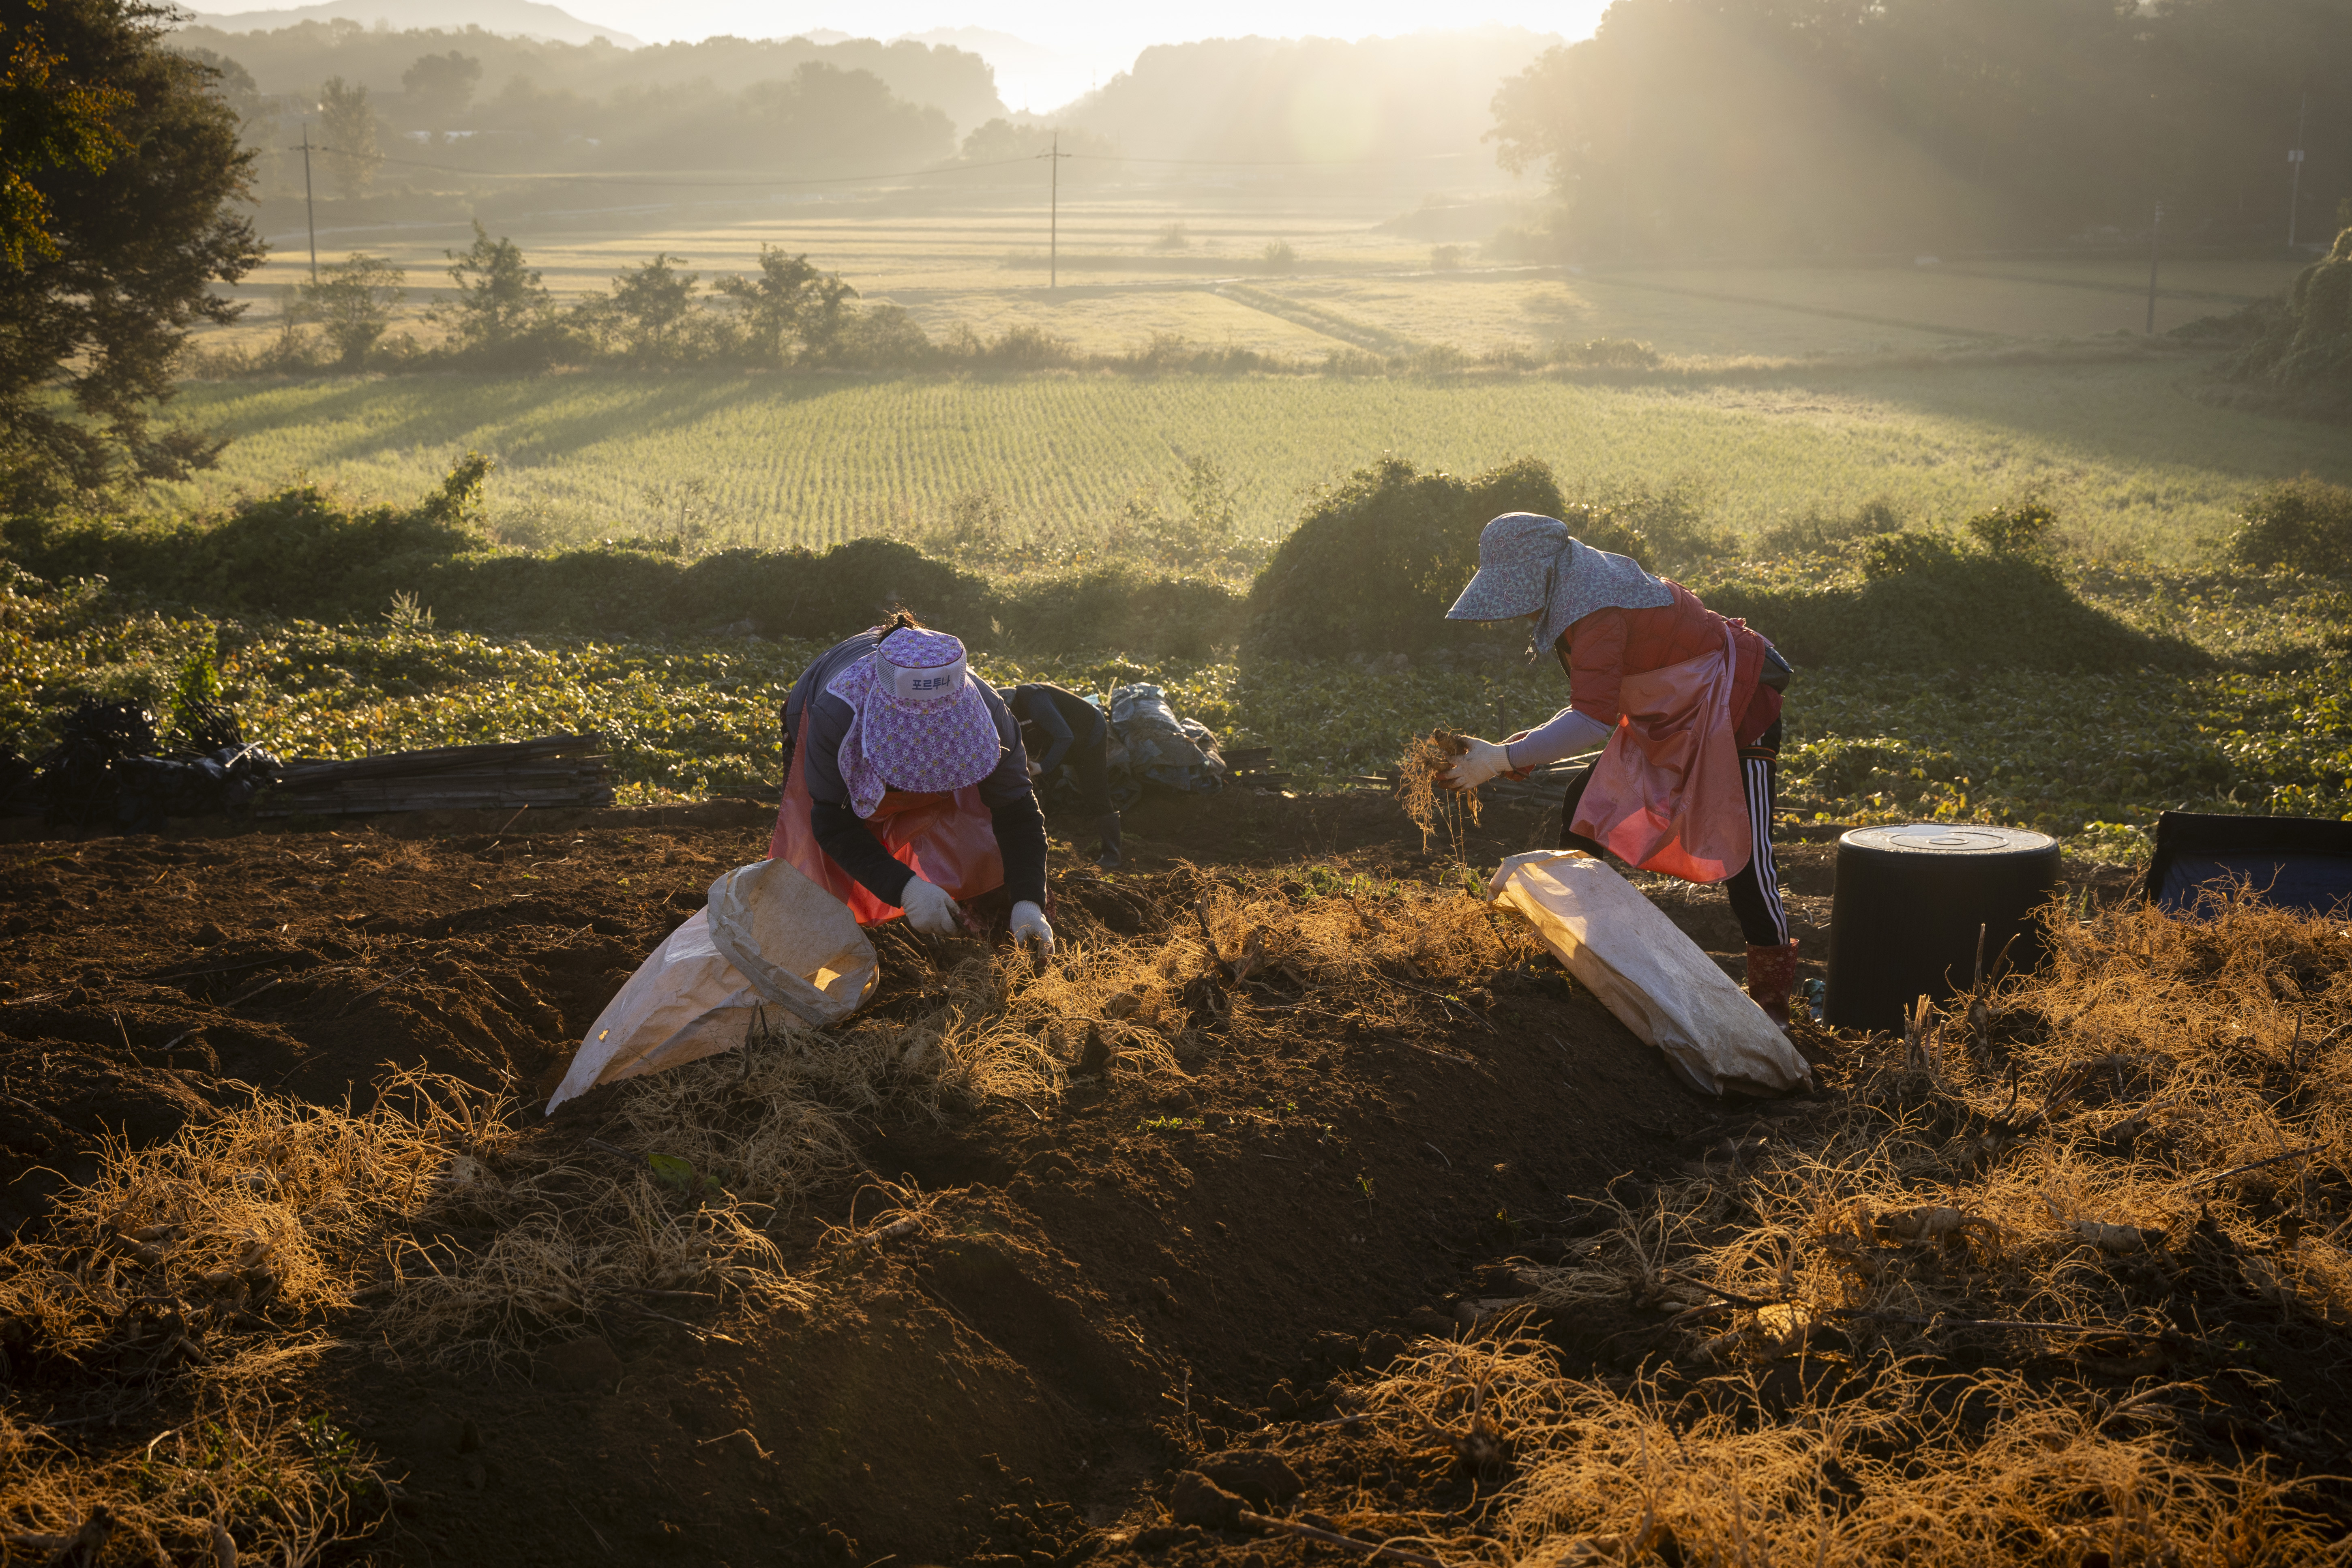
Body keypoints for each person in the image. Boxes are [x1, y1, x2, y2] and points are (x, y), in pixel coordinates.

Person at [1439, 512, 1798, 1026]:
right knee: (1585, 804)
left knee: (1748, 858)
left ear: (1541, 570)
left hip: (1735, 713)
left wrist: (1498, 761)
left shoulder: (1595, 604)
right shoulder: (1577, 584)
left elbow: (1590, 723)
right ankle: (1580, 946)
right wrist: (1506, 751)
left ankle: (1773, 1008)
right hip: (1672, 716)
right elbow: (1590, 707)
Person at [769, 613, 1053, 954]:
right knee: (814, 877)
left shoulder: (990, 713)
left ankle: (997, 928)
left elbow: (1017, 811)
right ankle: (810, 953)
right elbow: (833, 823)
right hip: (814, 713)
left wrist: (1028, 900)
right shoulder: (836, 715)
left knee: (982, 838)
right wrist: (906, 889)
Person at [1001, 680, 1121, 869]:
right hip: (1056, 738)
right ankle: (1038, 842)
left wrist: (1044, 766)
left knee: (1095, 792)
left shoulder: (1034, 701)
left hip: (1088, 733)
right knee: (1039, 785)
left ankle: (1112, 854)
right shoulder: (1007, 712)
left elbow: (1065, 736)